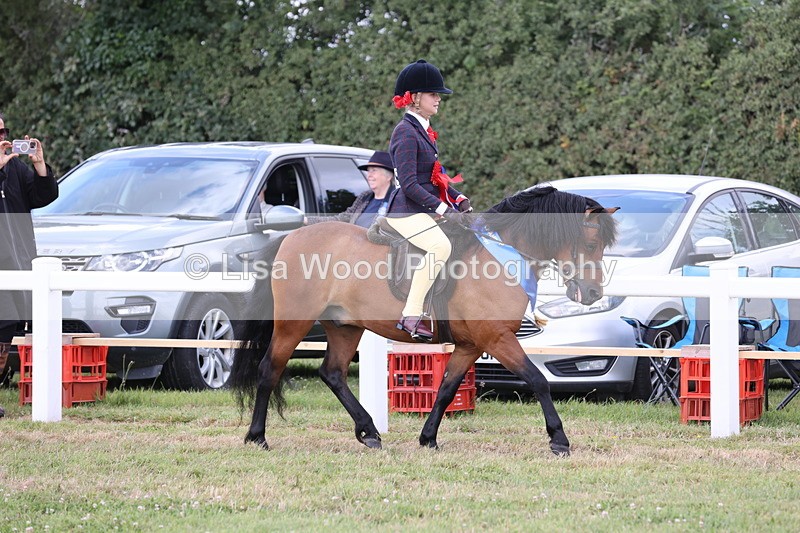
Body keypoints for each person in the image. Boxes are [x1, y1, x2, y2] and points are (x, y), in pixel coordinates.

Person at [384, 59, 472, 341]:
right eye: (433, 94)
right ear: (415, 98)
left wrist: (458, 198)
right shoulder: (405, 132)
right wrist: (444, 208)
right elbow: (410, 184)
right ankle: (411, 314)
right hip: (405, 212)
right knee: (439, 246)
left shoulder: (423, 130)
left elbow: (434, 176)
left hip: (422, 209)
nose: (438, 99)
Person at [0, 113, 59, 418]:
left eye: (3, 132)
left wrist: (39, 166)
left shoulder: (14, 168)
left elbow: (43, 195)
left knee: (6, 330)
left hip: (14, 262)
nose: (2, 138)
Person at [305, 150, 396, 228]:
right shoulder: (364, 197)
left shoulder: (396, 201)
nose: (369, 175)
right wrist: (306, 220)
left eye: (374, 170)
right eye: (368, 171)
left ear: (388, 176)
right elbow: (342, 219)